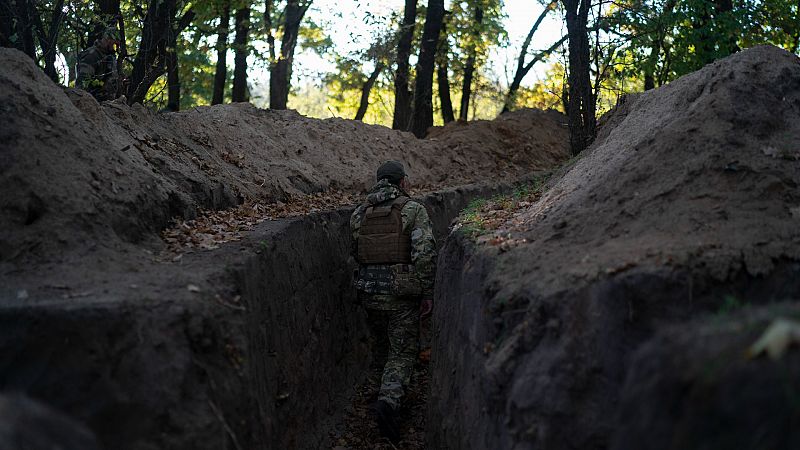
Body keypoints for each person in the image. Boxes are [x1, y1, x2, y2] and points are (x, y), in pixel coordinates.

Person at [350, 160, 436, 442]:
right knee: (402, 352)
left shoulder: (360, 213)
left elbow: (356, 251)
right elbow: (424, 253)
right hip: (401, 295)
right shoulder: (413, 209)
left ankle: (377, 394)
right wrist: (426, 292)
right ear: (402, 183)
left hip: (368, 292)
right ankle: (389, 403)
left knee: (381, 347)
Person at [75, 27, 120, 101]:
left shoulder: (109, 57)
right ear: (108, 39)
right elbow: (81, 87)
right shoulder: (92, 56)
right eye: (115, 44)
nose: (116, 48)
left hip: (107, 105)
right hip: (92, 104)